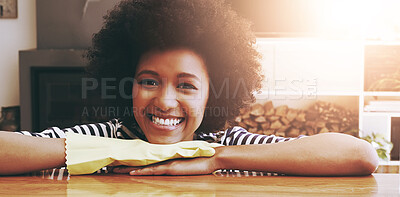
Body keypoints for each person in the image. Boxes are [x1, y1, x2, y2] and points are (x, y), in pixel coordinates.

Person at [0, 0, 378, 176]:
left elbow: (361, 156)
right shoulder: (105, 138)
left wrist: (217, 159)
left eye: (186, 86)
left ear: (213, 92)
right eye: (149, 81)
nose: (165, 101)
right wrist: (118, 151)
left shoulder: (224, 142)